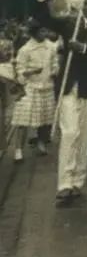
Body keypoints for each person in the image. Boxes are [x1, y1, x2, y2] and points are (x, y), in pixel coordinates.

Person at [34, 0, 87, 207]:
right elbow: (43, 18)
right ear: (83, 4)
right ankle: (64, 184)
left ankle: (77, 181)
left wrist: (83, 48)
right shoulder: (69, 23)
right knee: (70, 133)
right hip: (69, 87)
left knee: (85, 136)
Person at [10, 20, 58, 163]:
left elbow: (55, 62)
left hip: (47, 86)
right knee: (22, 120)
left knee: (45, 119)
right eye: (41, 31)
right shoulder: (25, 49)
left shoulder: (50, 47)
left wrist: (55, 70)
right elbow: (19, 70)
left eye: (45, 31)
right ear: (34, 33)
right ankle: (18, 149)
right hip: (30, 88)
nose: (45, 34)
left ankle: (41, 142)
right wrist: (31, 72)